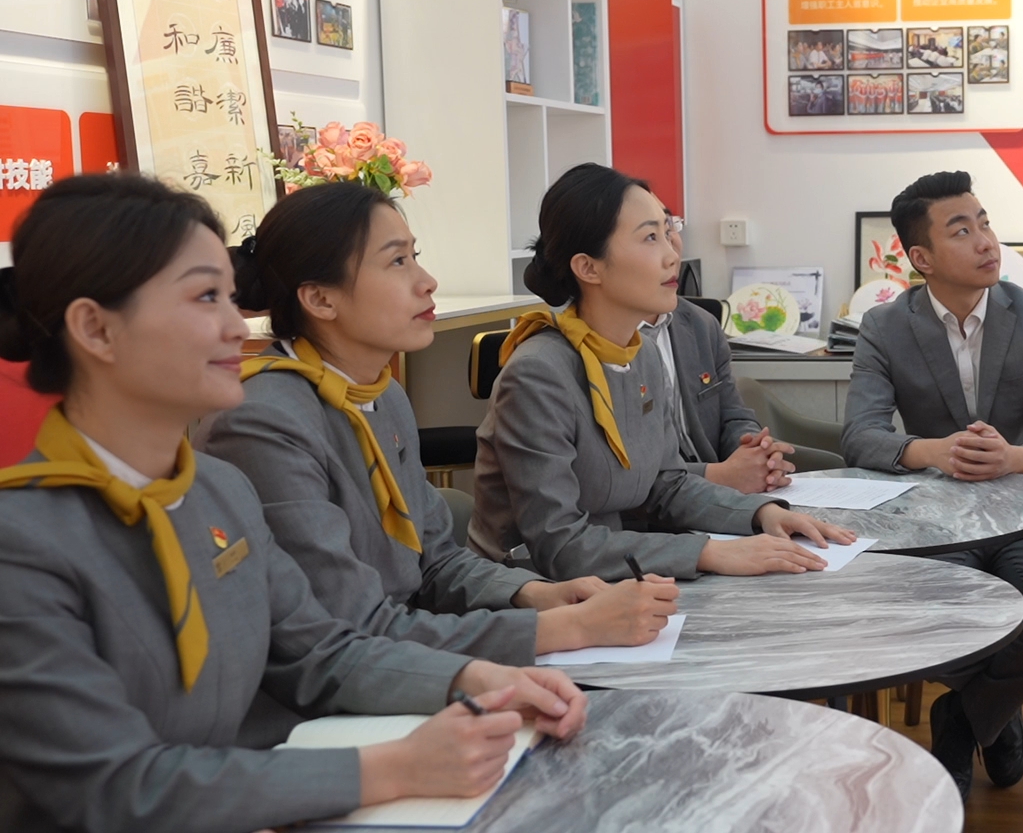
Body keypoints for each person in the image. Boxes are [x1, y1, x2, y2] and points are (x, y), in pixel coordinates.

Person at [0, 174, 588, 833]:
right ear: (96, 329)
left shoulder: (216, 489)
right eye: (204, 297)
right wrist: (391, 769)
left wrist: (478, 681)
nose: (235, 326)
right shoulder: (21, 543)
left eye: (229, 296)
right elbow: (111, 787)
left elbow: (320, 651)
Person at [196, 182, 679, 710]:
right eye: (397, 262)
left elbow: (435, 561)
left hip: (403, 658)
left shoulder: (381, 394)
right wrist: (564, 628)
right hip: (332, 699)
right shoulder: (265, 421)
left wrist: (537, 595)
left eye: (415, 256)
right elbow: (354, 628)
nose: (427, 282)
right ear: (320, 298)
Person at [468, 163, 851, 582]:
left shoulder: (642, 354)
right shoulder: (538, 374)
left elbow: (665, 485)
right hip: (533, 591)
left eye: (668, 233)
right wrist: (709, 553)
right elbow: (559, 544)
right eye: (650, 237)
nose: (672, 254)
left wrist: (762, 514)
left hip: (617, 579)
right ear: (588, 268)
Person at [841, 170, 1023, 801]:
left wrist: (1014, 457)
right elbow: (861, 436)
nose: (986, 241)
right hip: (937, 514)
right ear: (921, 258)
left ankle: (963, 717)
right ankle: (995, 712)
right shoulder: (884, 326)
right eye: (961, 230)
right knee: (919, 616)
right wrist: (931, 451)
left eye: (985, 223)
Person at [640, 198, 796, 494]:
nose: (672, 250)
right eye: (650, 235)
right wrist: (719, 475)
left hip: (714, 498)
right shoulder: (598, 343)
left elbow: (733, 414)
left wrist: (755, 453)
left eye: (669, 227)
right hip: (655, 508)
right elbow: (626, 472)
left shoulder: (700, 324)